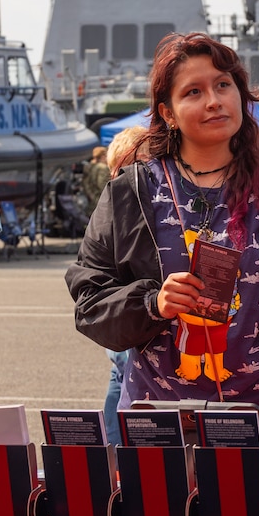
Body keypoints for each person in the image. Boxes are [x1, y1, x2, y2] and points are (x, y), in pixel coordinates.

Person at [66, 33, 259, 435]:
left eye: (223, 85)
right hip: (161, 416)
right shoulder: (131, 191)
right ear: (168, 113)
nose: (214, 101)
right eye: (193, 92)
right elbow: (90, 302)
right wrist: (153, 303)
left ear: (241, 95)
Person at [98, 124, 149, 445]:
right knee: (113, 451)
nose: (122, 179)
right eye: (117, 172)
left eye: (132, 170)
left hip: (146, 363)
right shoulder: (112, 214)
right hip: (121, 361)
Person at [81, 146, 110, 216]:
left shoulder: (89, 167)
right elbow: (103, 187)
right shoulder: (102, 168)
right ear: (103, 156)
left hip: (91, 202)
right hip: (100, 202)